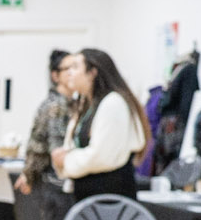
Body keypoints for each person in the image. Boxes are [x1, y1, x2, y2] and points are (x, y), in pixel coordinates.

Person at [17, 49, 79, 220]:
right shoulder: (57, 106)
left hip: (47, 179)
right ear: (56, 75)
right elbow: (56, 151)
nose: (73, 73)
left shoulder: (64, 103)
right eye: (68, 69)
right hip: (52, 182)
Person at [54, 47, 150, 200]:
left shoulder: (113, 103)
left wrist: (66, 160)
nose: (69, 73)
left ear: (92, 73)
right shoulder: (86, 104)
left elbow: (101, 156)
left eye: (75, 67)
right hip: (88, 194)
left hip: (109, 196)